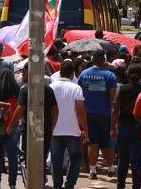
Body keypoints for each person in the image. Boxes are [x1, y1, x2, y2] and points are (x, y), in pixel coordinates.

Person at [7, 63, 58, 177]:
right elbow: (56, 110)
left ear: (29, 73)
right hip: (45, 129)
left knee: (28, 155)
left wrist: (10, 125)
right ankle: (40, 176)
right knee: (42, 155)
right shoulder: (48, 89)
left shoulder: (25, 90)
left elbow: (20, 109)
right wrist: (51, 127)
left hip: (30, 129)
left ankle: (34, 178)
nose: (22, 75)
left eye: (24, 72)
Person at [78, 50, 117, 180]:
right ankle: (110, 168)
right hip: (105, 114)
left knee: (92, 142)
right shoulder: (110, 76)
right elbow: (112, 98)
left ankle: (93, 171)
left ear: (93, 60)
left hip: (88, 113)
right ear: (103, 60)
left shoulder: (83, 74)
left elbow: (80, 94)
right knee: (106, 143)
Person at [50, 60, 88, 189]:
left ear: (60, 72)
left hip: (55, 131)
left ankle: (57, 185)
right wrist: (86, 130)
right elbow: (81, 112)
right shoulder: (76, 88)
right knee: (76, 157)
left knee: (56, 161)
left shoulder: (51, 87)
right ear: (73, 74)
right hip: (73, 131)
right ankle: (70, 184)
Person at [111, 64, 141, 189]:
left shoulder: (123, 89)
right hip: (139, 128)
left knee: (123, 159)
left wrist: (112, 128)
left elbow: (116, 109)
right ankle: (136, 185)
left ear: (128, 74)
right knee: (137, 159)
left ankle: (121, 185)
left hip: (123, 127)